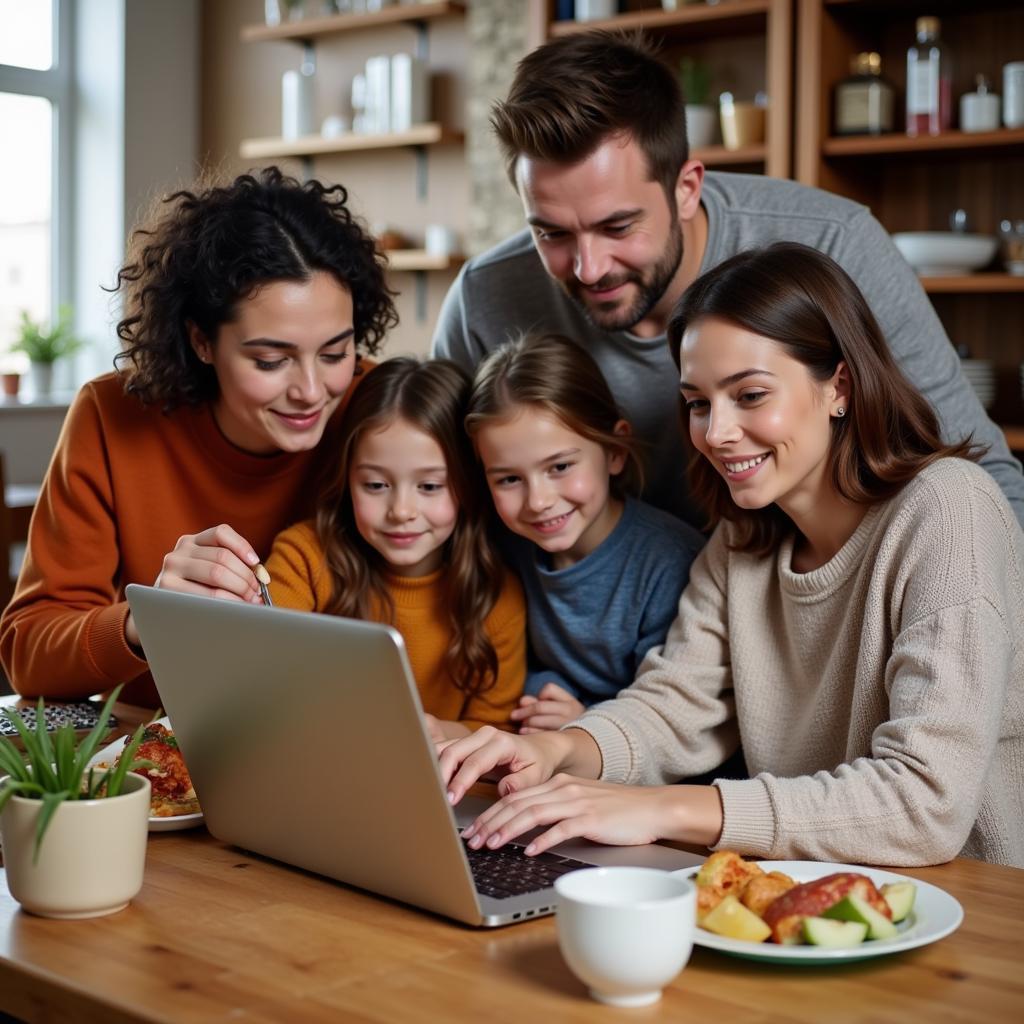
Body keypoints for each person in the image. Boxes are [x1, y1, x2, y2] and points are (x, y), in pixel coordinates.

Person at [437, 243, 1024, 869]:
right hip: (801, 883)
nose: (715, 433)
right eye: (698, 402)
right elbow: (676, 706)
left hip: (972, 901)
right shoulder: (744, 535)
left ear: (839, 388)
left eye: (749, 395)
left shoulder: (948, 511)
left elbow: (924, 803)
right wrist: (560, 750)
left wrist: (665, 809)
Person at [431, 30, 1024, 528]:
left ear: (686, 187)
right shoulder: (486, 297)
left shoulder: (834, 244)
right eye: (551, 234)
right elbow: (445, 502)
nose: (589, 267)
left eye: (618, 226)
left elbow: (985, 482)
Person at [1, 167, 397, 707]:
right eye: (271, 359)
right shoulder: (111, 415)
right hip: (158, 751)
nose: (311, 390)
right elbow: (28, 654)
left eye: (334, 353)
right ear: (201, 341)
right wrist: (147, 619)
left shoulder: (381, 407)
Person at [263, 357, 527, 738]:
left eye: (430, 486)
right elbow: (260, 668)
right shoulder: (305, 556)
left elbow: (496, 729)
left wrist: (439, 731)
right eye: (375, 485)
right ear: (347, 479)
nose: (402, 511)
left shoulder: (497, 597)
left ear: (468, 485)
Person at [464, 332, 704, 733]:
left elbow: (670, 713)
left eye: (559, 467)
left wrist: (586, 720)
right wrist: (545, 695)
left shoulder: (670, 563)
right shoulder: (506, 546)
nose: (537, 501)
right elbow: (521, 662)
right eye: (508, 479)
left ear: (614, 451)